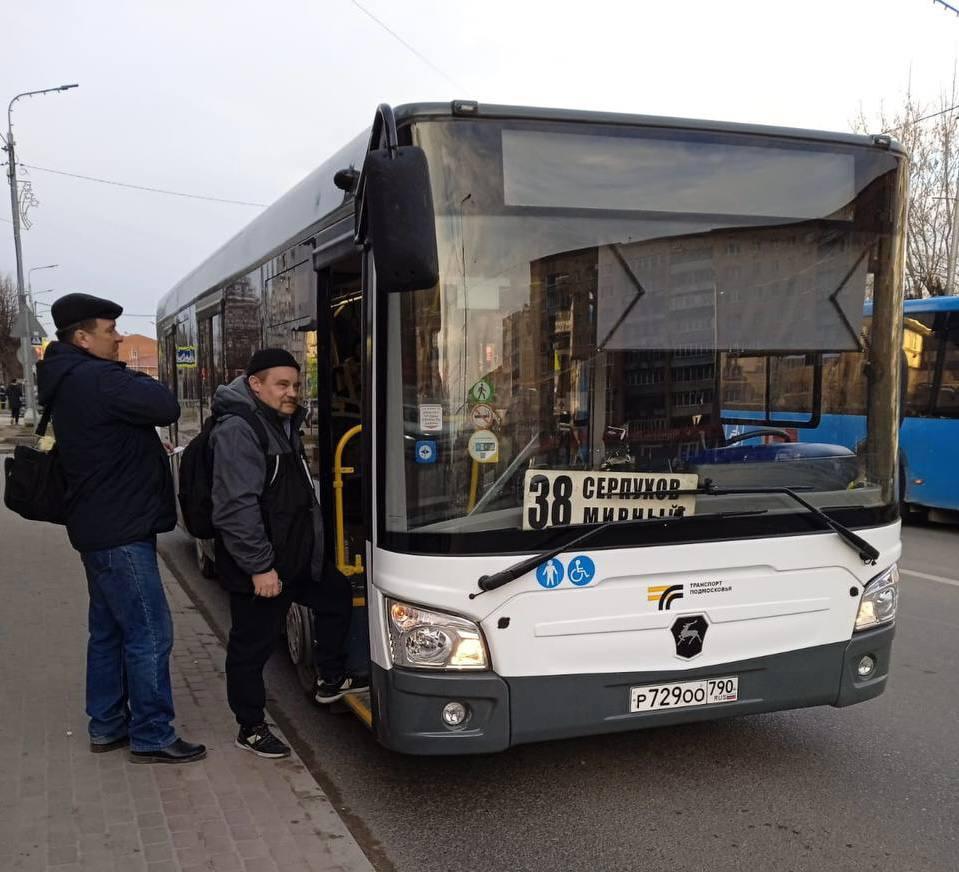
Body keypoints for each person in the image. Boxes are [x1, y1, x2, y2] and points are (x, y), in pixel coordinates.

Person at [36, 293, 205, 765]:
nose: (120, 339)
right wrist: (127, 372)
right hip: (119, 529)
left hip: (98, 524)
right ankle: (152, 733)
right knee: (150, 633)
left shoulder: (68, 377)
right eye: (110, 332)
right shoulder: (97, 378)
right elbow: (165, 405)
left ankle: (107, 724)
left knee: (108, 630)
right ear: (82, 337)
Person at [211, 348, 358, 759]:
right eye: (281, 384)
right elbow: (235, 508)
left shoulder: (280, 422)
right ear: (255, 384)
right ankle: (250, 726)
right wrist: (260, 568)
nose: (291, 392)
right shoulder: (240, 430)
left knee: (335, 596)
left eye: (295, 385)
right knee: (250, 648)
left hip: (294, 560)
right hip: (262, 569)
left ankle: (330, 678)